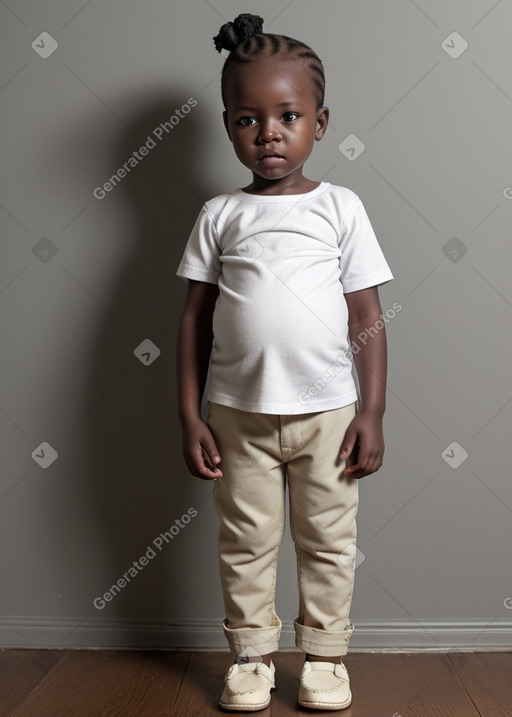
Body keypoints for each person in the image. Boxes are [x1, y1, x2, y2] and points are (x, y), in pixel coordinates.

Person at [176, 13, 393, 712]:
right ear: (229, 125)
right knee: (246, 540)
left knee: (329, 541)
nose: (268, 132)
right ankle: (251, 657)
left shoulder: (341, 209)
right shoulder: (219, 214)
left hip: (328, 413)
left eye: (288, 115)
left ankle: (326, 657)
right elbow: (194, 321)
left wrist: (373, 410)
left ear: (320, 122)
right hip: (236, 414)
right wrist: (189, 415)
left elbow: (368, 317)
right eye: (248, 119)